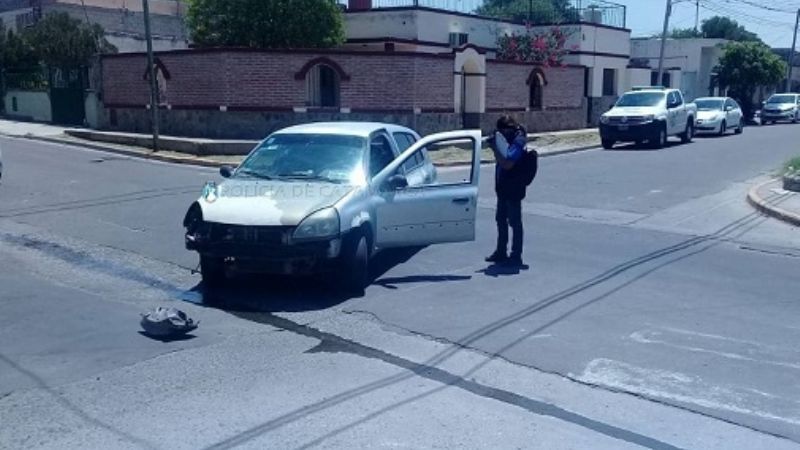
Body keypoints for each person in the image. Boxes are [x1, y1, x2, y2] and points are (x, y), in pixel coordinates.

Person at [486, 115, 527, 267]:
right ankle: (501, 252)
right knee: (501, 220)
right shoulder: (505, 140)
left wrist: (495, 148)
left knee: (515, 222)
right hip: (503, 187)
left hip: (514, 187)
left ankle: (516, 256)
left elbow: (508, 163)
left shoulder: (518, 140)